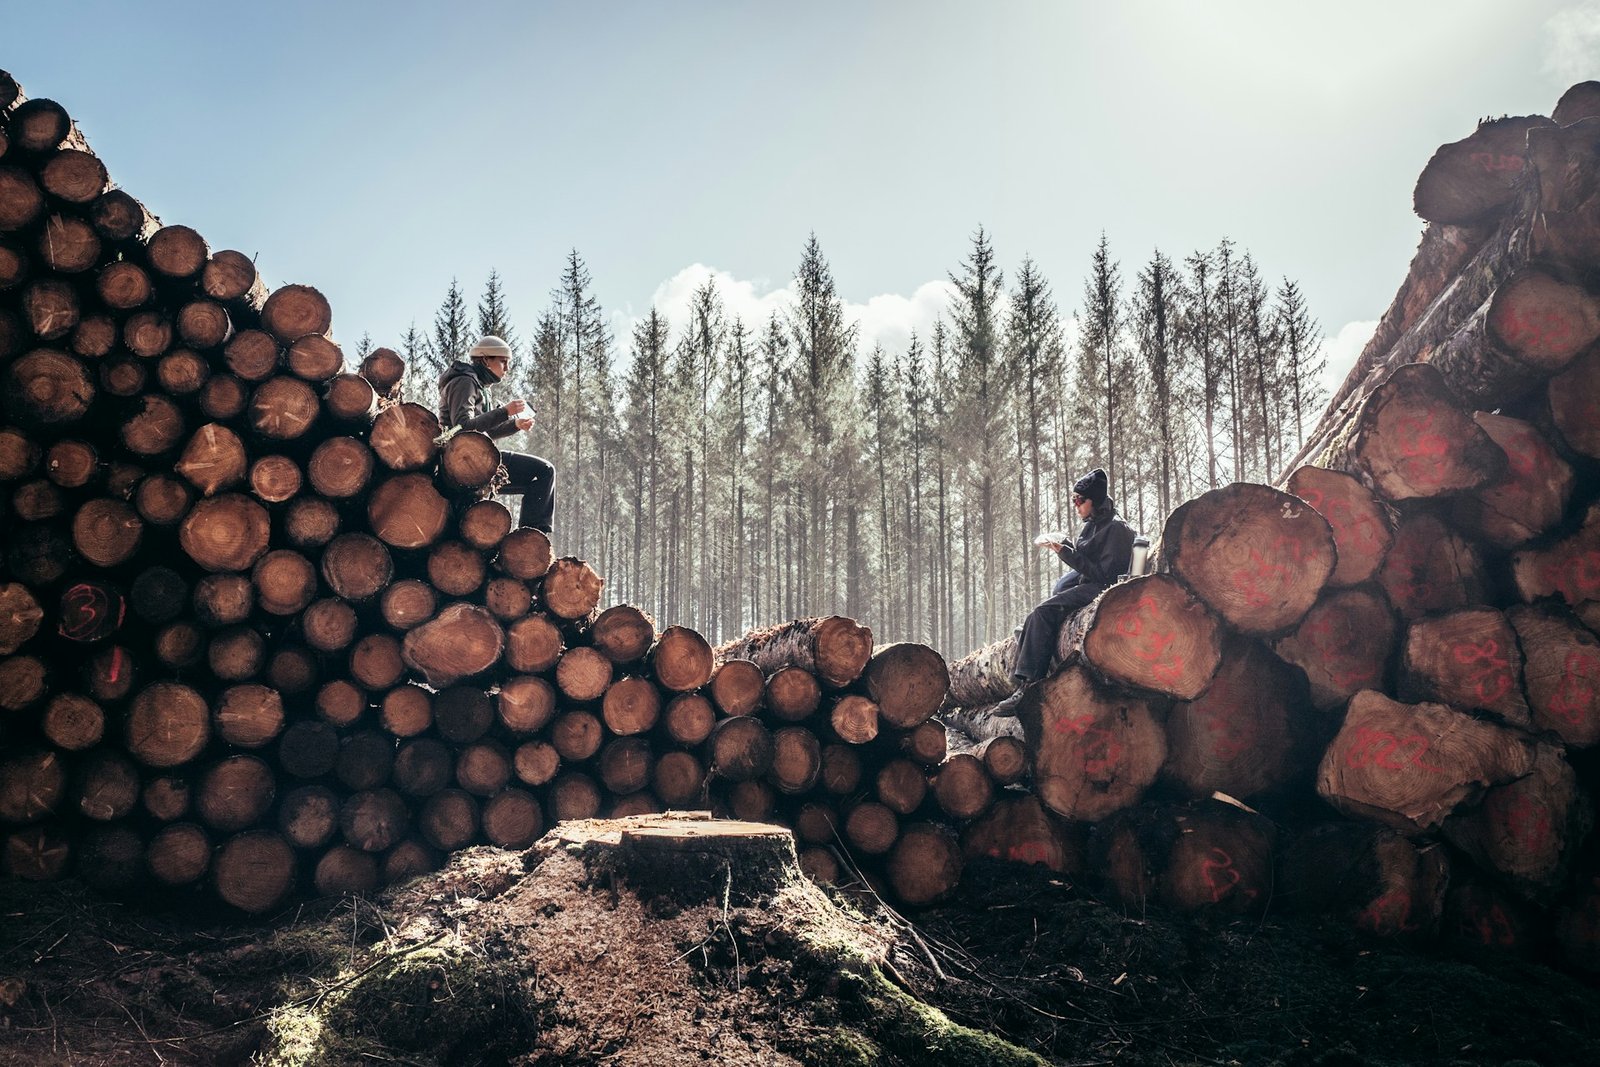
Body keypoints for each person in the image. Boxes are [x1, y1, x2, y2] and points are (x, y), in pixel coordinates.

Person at [991, 467, 1135, 715]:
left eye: (1080, 500)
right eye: (1074, 500)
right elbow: (1086, 557)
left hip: (1105, 590)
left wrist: (1065, 553)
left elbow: (1103, 576)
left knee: (1042, 613)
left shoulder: (1117, 529)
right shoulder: (1093, 522)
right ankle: (1032, 637)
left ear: (1095, 500)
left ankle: (1028, 686)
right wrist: (1065, 545)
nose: (1076, 506)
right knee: (1056, 591)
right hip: (1089, 581)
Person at [437, 335, 555, 534]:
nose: (507, 369)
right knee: (543, 471)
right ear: (485, 360)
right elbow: (464, 427)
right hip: (464, 462)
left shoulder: (480, 386)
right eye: (503, 362)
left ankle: (532, 540)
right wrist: (505, 412)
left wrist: (515, 424)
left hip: (479, 459)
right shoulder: (464, 382)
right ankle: (530, 536)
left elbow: (487, 429)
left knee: (543, 472)